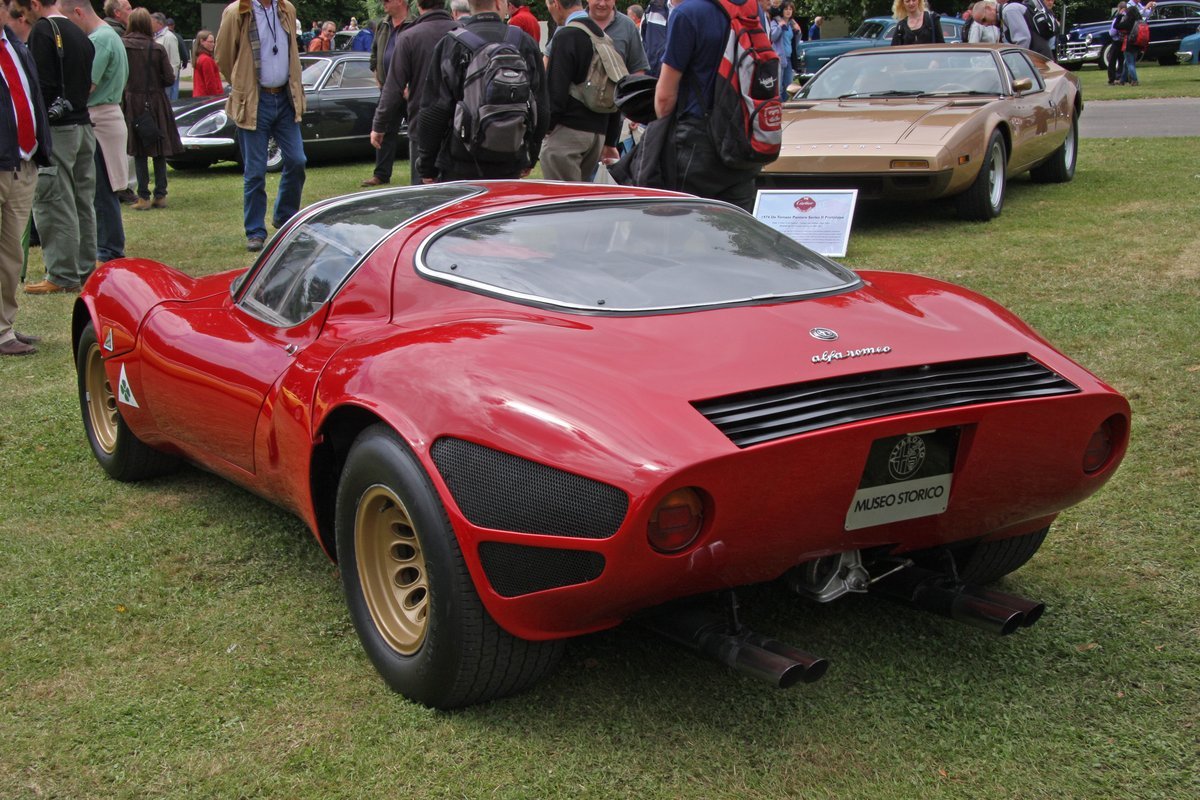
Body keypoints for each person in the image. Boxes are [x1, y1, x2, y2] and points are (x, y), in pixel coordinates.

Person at [653, 0, 771, 212]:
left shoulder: (687, 14)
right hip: (742, 139)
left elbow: (664, 98)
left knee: (683, 222)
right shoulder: (753, 10)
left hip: (696, 143)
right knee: (735, 224)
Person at [15, 0, 97, 296]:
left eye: (24, 9)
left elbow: (42, 85)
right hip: (83, 126)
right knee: (83, 202)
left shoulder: (43, 31)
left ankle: (62, 273)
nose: (23, 16)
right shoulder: (78, 32)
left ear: (35, 4)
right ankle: (86, 268)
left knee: (54, 201)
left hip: (59, 130)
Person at [415, 0, 548, 182]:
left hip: (461, 160)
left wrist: (427, 166)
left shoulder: (452, 43)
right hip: (510, 157)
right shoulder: (524, 42)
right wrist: (531, 155)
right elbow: (541, 107)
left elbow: (434, 110)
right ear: (498, 3)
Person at [216, 0, 307, 252]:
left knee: (297, 160)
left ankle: (285, 217)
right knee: (255, 171)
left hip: (286, 98)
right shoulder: (237, 11)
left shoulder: (286, 9)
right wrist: (241, 83)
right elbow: (223, 56)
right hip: (255, 100)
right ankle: (255, 231)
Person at [0, 0, 51, 353]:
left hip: (24, 162)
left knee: (11, 255)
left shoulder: (16, 46)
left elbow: (32, 98)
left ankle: (4, 328)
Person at [63, 0, 127, 266]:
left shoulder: (99, 40)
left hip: (100, 119)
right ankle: (109, 245)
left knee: (102, 189)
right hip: (108, 116)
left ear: (78, 13)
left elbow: (86, 84)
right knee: (104, 188)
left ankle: (109, 247)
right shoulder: (109, 36)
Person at [371, 0, 458, 185]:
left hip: (423, 123)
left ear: (418, 4)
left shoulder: (409, 36)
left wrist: (379, 125)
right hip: (458, 124)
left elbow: (393, 86)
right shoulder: (463, 33)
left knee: (423, 192)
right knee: (458, 192)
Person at [541, 0, 624, 182]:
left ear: (556, 4)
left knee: (562, 197)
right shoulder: (603, 38)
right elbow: (615, 88)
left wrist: (545, 129)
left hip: (568, 132)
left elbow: (556, 92)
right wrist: (610, 140)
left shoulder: (566, 36)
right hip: (597, 134)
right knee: (580, 193)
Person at [121, 8, 181, 210]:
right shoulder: (157, 49)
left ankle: (143, 196)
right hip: (156, 101)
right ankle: (160, 194)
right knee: (158, 148)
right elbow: (169, 78)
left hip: (133, 100)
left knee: (139, 150)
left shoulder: (123, 45)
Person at [362, 0, 412, 187]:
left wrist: (412, 84)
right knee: (384, 130)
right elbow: (375, 52)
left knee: (417, 132)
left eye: (387, 0)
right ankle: (381, 175)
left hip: (409, 90)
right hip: (388, 89)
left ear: (400, 1)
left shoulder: (414, 23)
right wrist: (376, 74)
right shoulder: (383, 25)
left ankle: (423, 172)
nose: (383, 3)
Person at [545, 0, 649, 76]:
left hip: (616, 98)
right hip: (575, 98)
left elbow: (638, 70)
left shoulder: (627, 26)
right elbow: (547, 61)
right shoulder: (570, 24)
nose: (602, 4)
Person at [770, 2, 800, 101]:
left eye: (790, 9)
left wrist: (798, 32)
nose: (788, 11)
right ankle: (779, 105)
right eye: (786, 9)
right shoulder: (775, 22)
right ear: (782, 10)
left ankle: (784, 104)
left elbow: (795, 41)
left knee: (789, 85)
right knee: (779, 86)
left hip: (789, 58)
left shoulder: (791, 24)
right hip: (779, 58)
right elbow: (772, 37)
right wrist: (780, 27)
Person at [149, 12, 179, 100]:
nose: (149, 25)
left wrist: (170, 79)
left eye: (151, 22)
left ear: (160, 23)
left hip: (166, 80)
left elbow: (174, 61)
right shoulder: (154, 36)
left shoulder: (169, 37)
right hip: (157, 80)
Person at [641, 0, 671, 76]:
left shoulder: (693, 10)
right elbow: (641, 39)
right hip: (650, 73)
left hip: (678, 77)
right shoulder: (652, 9)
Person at [1116, 0, 1143, 85]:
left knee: (1130, 63)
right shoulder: (1140, 21)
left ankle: (1135, 80)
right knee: (1127, 63)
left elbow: (1116, 26)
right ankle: (1122, 80)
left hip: (1128, 43)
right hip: (1137, 43)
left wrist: (1119, 15)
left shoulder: (1128, 22)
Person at [190, 30, 222, 97]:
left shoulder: (199, 57)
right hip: (207, 97)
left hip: (199, 95)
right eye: (210, 42)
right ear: (202, 41)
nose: (213, 44)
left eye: (213, 42)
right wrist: (215, 97)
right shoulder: (206, 60)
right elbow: (210, 83)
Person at [1108, 1, 1127, 84]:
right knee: (1122, 60)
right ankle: (1120, 77)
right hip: (1124, 41)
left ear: (1119, 8)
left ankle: (1111, 79)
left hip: (1116, 41)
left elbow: (1112, 32)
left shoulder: (1117, 19)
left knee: (1112, 61)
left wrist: (1110, 32)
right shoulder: (1127, 18)